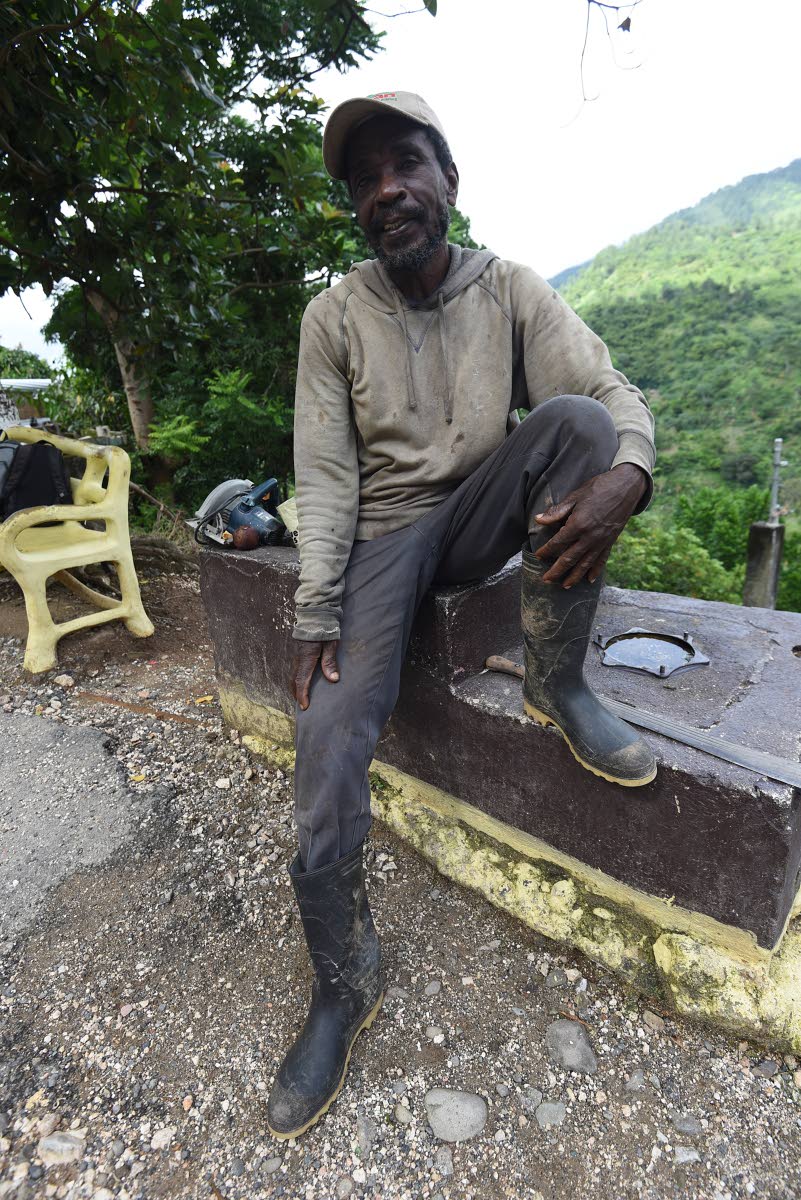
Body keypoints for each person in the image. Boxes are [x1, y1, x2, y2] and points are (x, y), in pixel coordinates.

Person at [266, 91, 656, 1140]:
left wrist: (633, 472)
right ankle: (346, 978)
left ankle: (557, 681)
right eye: (365, 179)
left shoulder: (511, 289)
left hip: (484, 509)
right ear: (356, 206)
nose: (386, 190)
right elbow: (326, 475)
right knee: (332, 734)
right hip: (385, 539)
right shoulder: (334, 317)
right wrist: (316, 611)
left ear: (448, 180)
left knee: (577, 425)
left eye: (405, 165)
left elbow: (606, 395)